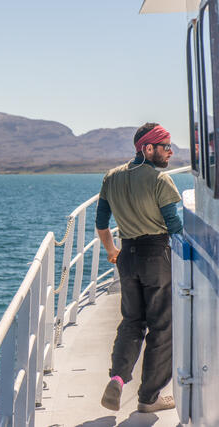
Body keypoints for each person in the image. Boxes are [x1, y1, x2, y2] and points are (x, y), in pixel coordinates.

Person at [95, 122, 183, 413]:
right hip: (156, 255)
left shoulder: (111, 177)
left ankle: (118, 379)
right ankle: (149, 398)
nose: (170, 152)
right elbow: (175, 227)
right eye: (165, 146)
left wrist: (112, 251)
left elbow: (101, 222)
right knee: (162, 326)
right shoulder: (160, 180)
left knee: (132, 321)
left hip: (127, 256)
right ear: (147, 148)